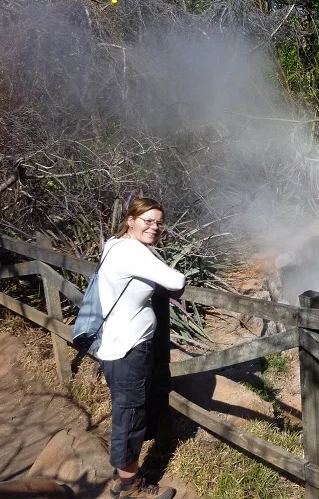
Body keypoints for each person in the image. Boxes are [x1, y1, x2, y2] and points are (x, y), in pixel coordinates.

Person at [97, 197, 186, 499]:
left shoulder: (114, 245)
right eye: (148, 220)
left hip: (117, 345)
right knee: (130, 416)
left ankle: (122, 478)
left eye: (159, 222)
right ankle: (129, 488)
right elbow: (176, 280)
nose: (155, 227)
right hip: (129, 349)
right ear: (131, 220)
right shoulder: (134, 252)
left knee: (127, 412)